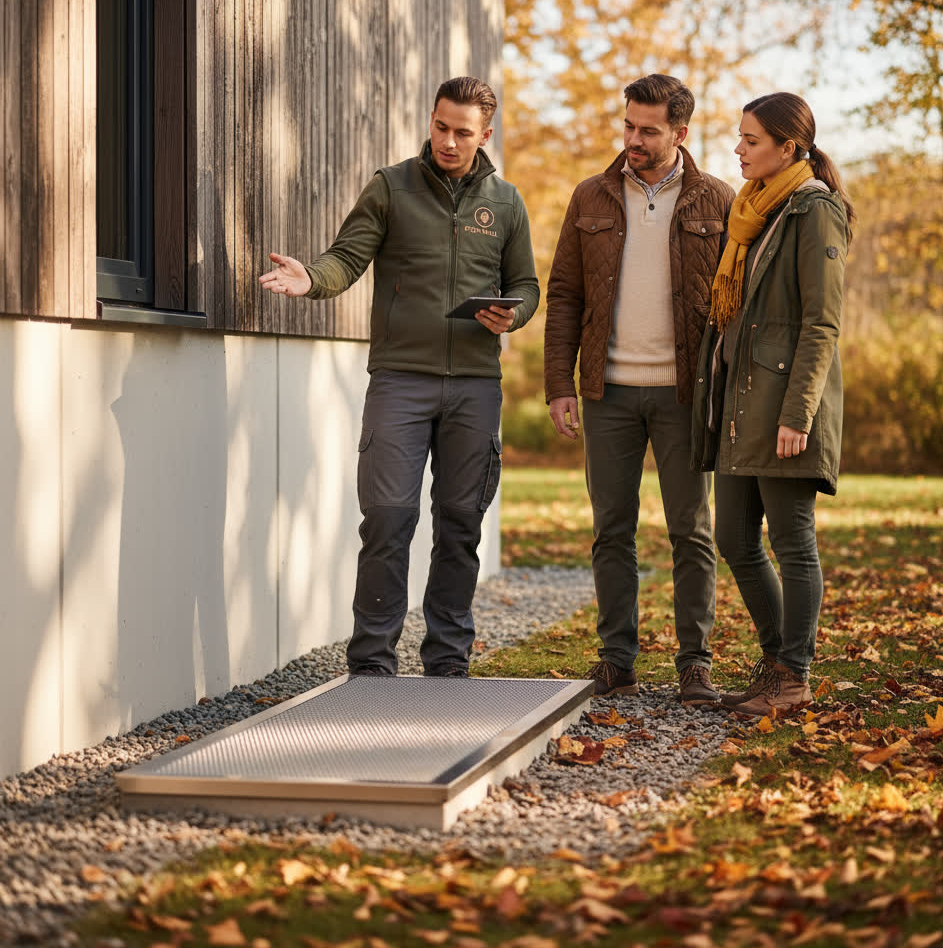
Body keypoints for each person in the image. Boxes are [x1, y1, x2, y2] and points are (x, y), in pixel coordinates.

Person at [260, 76, 539, 678]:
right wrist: (312, 279)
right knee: (387, 518)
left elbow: (527, 285)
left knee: (460, 524)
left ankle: (447, 661)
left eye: (463, 132)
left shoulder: (506, 202)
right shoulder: (392, 187)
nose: (447, 140)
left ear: (485, 134)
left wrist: (513, 313)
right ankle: (371, 664)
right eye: (441, 126)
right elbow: (347, 256)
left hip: (474, 384)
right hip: (399, 382)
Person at [544, 74, 734, 703]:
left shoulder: (719, 200)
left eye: (648, 130)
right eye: (628, 125)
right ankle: (617, 661)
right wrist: (559, 385)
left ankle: (694, 664)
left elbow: (734, 305)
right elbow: (565, 296)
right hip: (609, 393)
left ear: (681, 133)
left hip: (685, 395)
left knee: (692, 531)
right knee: (611, 530)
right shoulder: (591, 197)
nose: (633, 139)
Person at [691, 91, 853, 717]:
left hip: (784, 408)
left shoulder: (815, 210)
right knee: (734, 537)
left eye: (750, 140)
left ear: (789, 147)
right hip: (739, 405)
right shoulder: (752, 212)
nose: (737, 148)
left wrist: (798, 413)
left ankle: (794, 673)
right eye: (739, 137)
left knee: (792, 540)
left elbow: (822, 323)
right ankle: (777, 660)